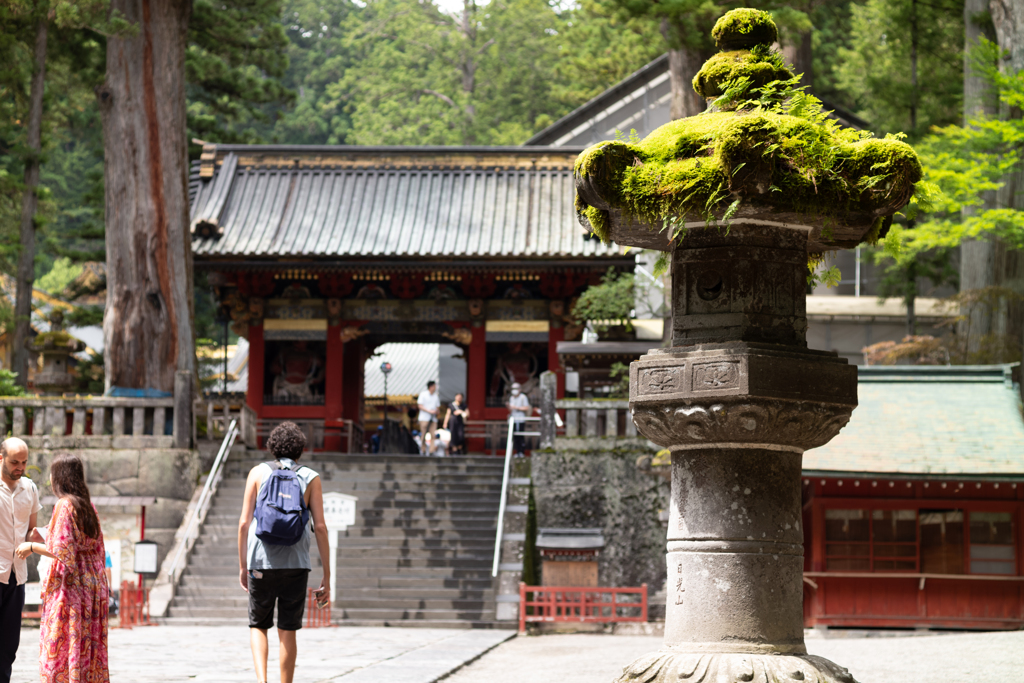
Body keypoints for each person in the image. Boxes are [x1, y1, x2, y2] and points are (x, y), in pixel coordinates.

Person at [238, 422, 331, 683]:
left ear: (272, 448)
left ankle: (262, 681)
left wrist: (242, 566)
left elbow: (244, 523)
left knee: (258, 625)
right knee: (288, 628)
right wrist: (327, 575)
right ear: (300, 449)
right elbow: (320, 527)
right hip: (297, 563)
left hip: (260, 562)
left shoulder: (257, 473)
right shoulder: (311, 477)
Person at [17, 451, 108, 683]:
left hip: (71, 588)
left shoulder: (64, 505)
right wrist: (46, 532)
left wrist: (31, 546)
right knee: (85, 644)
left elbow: (63, 551)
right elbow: (89, 545)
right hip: (91, 586)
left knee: (62, 641)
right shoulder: (88, 507)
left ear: (59, 476)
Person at [0, 438, 41, 683]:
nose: (20, 467)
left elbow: (31, 531)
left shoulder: (30, 489)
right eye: (15, 462)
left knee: (8, 645)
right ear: (1, 458)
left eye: (24, 462)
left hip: (17, 576)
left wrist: (34, 538)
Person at [416, 381, 440, 456]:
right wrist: (429, 411)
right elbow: (420, 405)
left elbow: (437, 407)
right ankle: (423, 450)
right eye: (434, 386)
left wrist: (436, 411)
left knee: (433, 435)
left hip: (433, 419)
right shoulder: (423, 394)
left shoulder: (436, 396)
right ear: (431, 386)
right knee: (423, 435)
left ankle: (431, 451)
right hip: (424, 418)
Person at [506, 382, 531, 457]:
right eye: (513, 389)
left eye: (515, 389)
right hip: (513, 419)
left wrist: (516, 407)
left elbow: (527, 407)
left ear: (519, 389)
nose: (514, 390)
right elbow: (511, 409)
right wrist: (508, 406)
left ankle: (521, 452)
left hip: (520, 419)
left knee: (520, 436)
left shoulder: (523, 397)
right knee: (515, 437)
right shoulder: (512, 398)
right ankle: (517, 452)